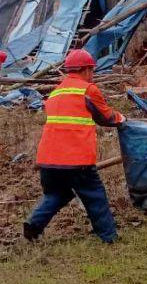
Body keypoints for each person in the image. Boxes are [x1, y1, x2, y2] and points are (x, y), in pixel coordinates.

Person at [23, 49, 126, 244]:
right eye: (92, 71)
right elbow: (106, 117)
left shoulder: (55, 93)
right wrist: (124, 120)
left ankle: (34, 225)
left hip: (48, 159)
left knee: (56, 194)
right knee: (95, 196)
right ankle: (108, 237)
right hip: (76, 159)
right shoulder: (87, 90)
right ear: (86, 70)